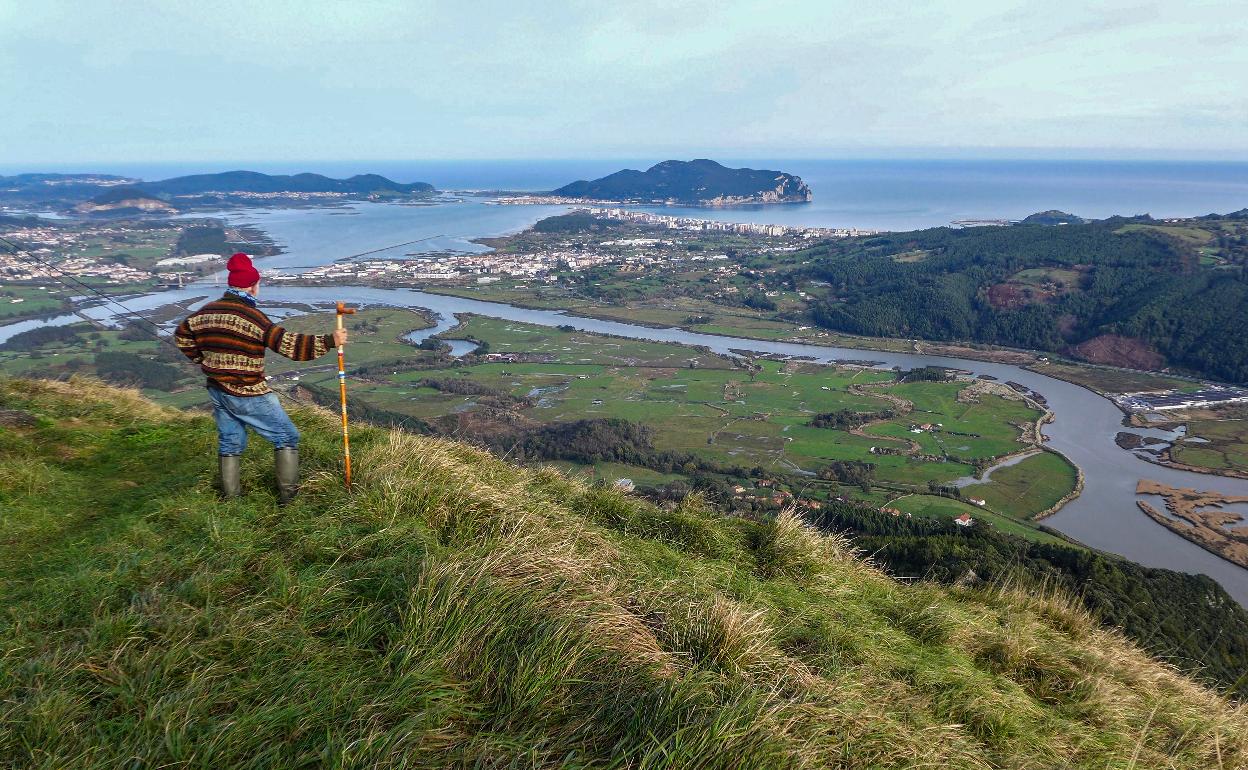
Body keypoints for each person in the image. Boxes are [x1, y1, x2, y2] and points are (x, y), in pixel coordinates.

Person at [174, 253, 347, 503]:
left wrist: (204, 360)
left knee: (231, 441)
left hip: (217, 389)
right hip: (248, 391)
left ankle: (231, 500)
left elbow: (182, 336)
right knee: (287, 437)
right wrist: (330, 341)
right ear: (254, 286)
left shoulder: (205, 313)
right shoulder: (254, 318)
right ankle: (289, 499)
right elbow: (290, 345)